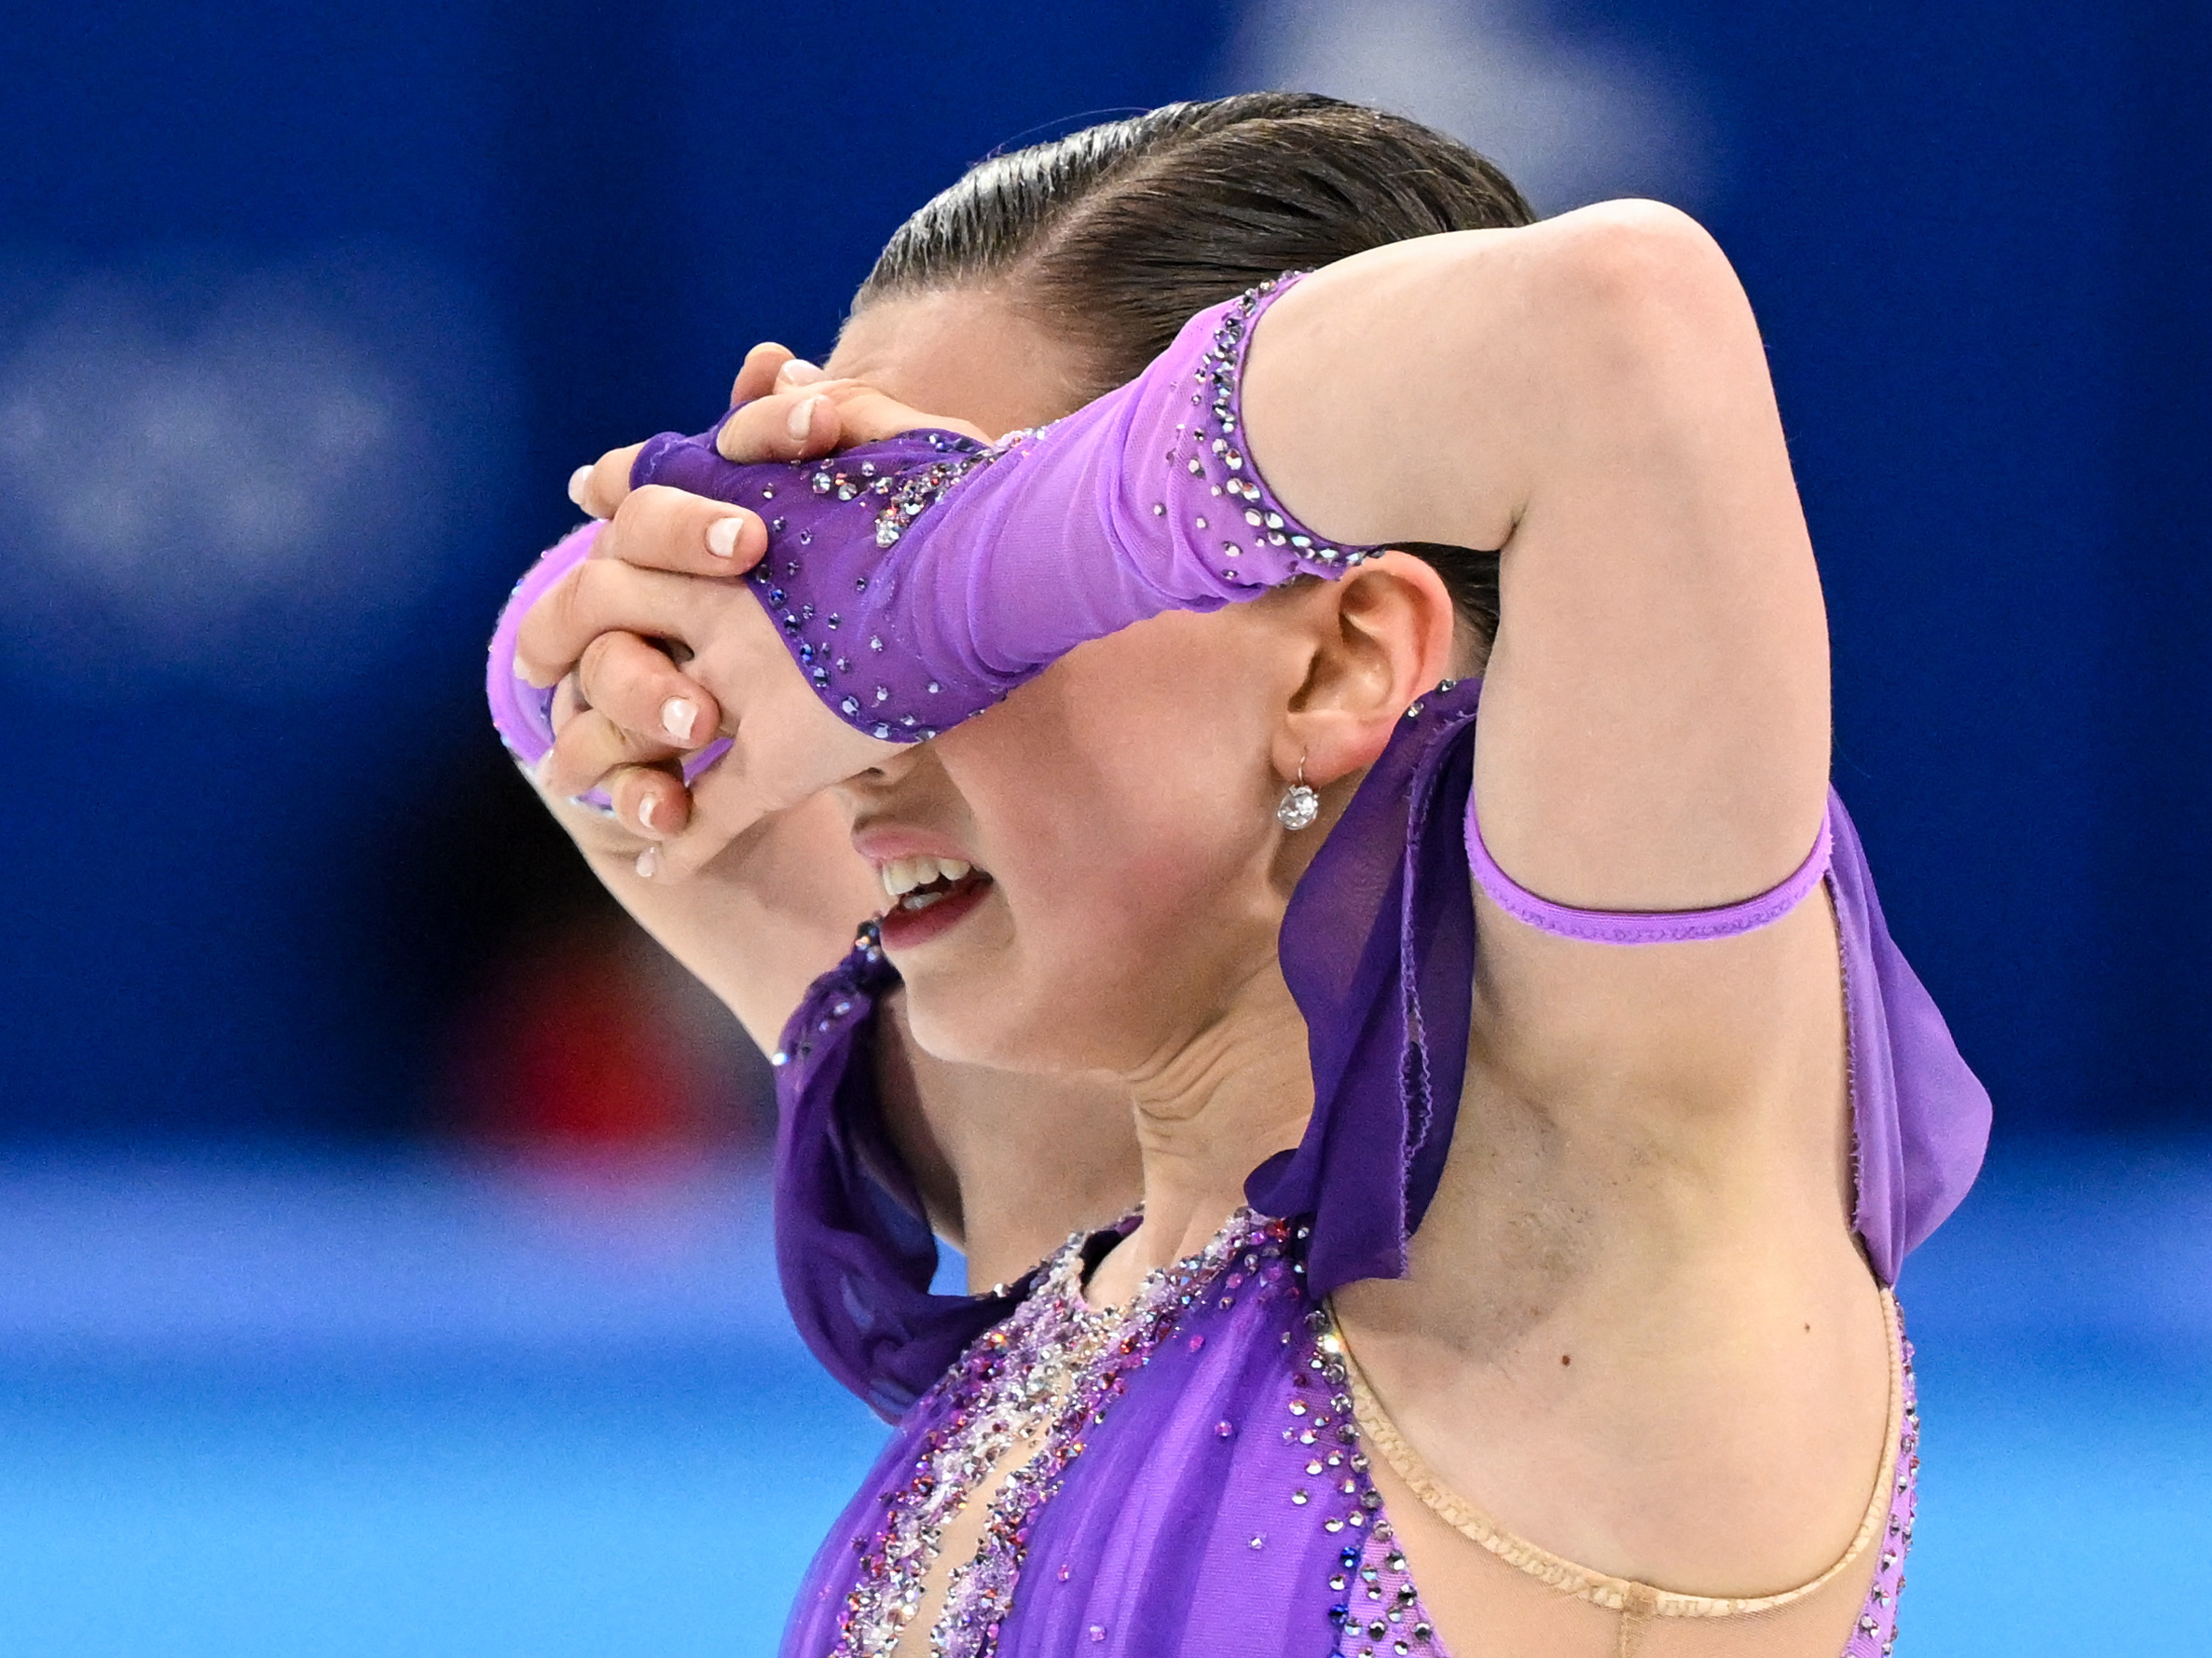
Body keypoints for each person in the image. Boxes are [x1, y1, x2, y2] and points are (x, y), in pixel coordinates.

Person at [490, 95, 1988, 1657]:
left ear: (1336, 660)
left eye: (945, 630)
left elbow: (1611, 328)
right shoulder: (1072, 1178)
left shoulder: (1583, 1199)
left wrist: (935, 570)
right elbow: (567, 704)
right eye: (864, 637)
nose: (863, 734)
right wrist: (755, 566)